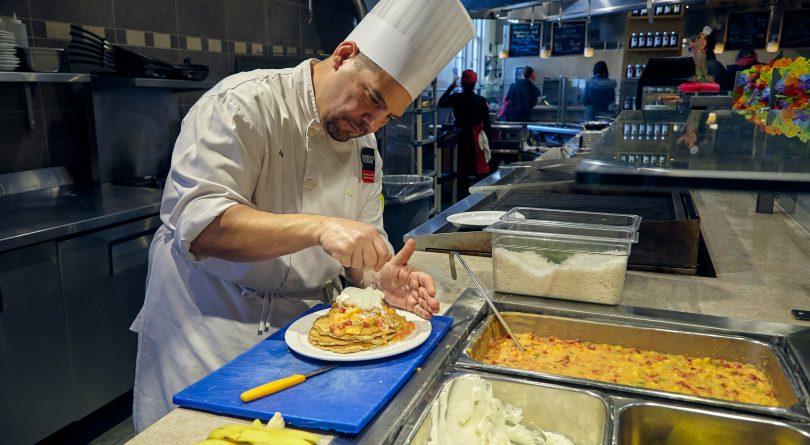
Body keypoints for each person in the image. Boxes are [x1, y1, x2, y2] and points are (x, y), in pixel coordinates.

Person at [129, 0, 473, 431]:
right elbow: (201, 226)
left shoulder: (364, 148)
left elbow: (361, 252)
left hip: (303, 336)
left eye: (389, 116)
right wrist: (321, 228)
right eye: (373, 99)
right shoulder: (244, 104)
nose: (372, 123)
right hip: (209, 329)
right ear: (344, 54)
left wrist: (382, 278)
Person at [438, 69, 491, 198]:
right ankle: (479, 198)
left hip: (460, 138)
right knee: (479, 170)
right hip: (475, 139)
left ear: (461, 83)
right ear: (475, 83)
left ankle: (461, 200)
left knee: (462, 171)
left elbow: (441, 103)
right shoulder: (481, 100)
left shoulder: (456, 98)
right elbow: (487, 124)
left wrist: (451, 86)